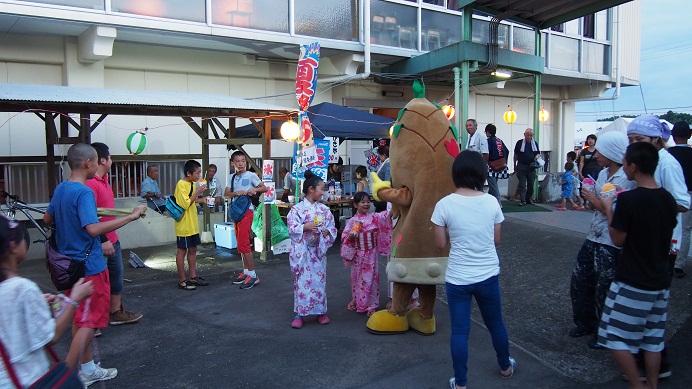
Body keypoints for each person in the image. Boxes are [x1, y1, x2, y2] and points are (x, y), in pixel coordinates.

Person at [42, 143, 146, 386]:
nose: (101, 164)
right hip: (89, 268)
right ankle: (67, 376)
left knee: (81, 319)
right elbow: (92, 229)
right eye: (98, 160)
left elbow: (48, 218)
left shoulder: (61, 189)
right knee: (89, 323)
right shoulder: (84, 192)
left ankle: (87, 369)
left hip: (68, 267)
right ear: (88, 163)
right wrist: (130, 217)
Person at [431, 150, 515, 389]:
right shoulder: (491, 202)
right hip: (487, 274)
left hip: (458, 278)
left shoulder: (443, 205)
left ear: (455, 173)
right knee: (496, 324)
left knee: (460, 332)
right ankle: (506, 367)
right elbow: (496, 240)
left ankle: (460, 383)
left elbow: (440, 244)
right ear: (481, 174)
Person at [597, 141, 678, 388]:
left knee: (613, 336)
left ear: (632, 167)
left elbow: (618, 239)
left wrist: (610, 207)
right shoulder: (667, 199)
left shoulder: (629, 201)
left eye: (625, 164)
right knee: (653, 339)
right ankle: (652, 384)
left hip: (632, 280)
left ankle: (637, 384)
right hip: (660, 279)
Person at [626, 115, 690, 379]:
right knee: (648, 305)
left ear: (656, 139)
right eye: (630, 141)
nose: (634, 145)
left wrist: (648, 207)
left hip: (662, 244)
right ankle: (651, 362)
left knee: (650, 304)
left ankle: (652, 364)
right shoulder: (644, 161)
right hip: (644, 241)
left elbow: (683, 201)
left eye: (639, 140)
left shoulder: (666, 163)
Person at [0, 216, 94, 388]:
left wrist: (36, 303)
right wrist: (74, 300)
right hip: (29, 379)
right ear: (12, 247)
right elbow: (51, 337)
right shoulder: (23, 289)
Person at [569, 131, 635, 349]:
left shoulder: (627, 179)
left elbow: (613, 211)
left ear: (612, 153)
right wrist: (590, 198)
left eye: (600, 151)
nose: (596, 154)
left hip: (610, 239)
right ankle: (585, 322)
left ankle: (604, 331)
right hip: (593, 234)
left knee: (604, 286)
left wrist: (592, 199)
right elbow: (595, 205)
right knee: (580, 279)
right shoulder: (602, 173)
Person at [86, 142, 143, 327]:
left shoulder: (105, 180)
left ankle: (115, 312)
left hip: (113, 240)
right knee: (97, 284)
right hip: (97, 243)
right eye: (109, 157)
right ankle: (93, 323)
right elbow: (90, 217)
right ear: (102, 160)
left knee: (116, 278)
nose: (112, 160)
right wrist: (102, 240)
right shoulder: (90, 184)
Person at [286, 171, 337, 329]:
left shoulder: (324, 210)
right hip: (303, 252)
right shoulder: (296, 210)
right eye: (321, 189)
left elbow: (331, 227)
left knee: (319, 282)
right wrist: (304, 227)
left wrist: (328, 232)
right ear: (311, 190)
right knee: (302, 282)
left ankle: (320, 311)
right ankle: (299, 313)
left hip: (317, 252)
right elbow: (291, 227)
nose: (323, 192)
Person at [340, 192, 392, 316]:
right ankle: (358, 301)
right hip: (358, 253)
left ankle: (371, 304)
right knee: (357, 278)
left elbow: (386, 216)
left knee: (372, 279)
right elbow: (344, 237)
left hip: (371, 253)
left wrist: (392, 204)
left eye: (368, 201)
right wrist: (351, 238)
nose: (366, 204)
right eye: (362, 202)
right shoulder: (352, 221)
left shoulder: (374, 217)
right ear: (355, 204)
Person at [225, 151, 267, 290]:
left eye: (243, 161)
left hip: (247, 211)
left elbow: (264, 188)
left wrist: (253, 189)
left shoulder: (251, 175)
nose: (241, 163)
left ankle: (254, 275)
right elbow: (226, 194)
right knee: (240, 244)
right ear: (233, 163)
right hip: (237, 213)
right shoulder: (231, 177)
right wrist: (237, 193)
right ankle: (246, 272)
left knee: (244, 244)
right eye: (237, 161)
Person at [174, 159, 211, 290]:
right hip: (183, 224)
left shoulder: (191, 183)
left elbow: (192, 200)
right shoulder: (181, 184)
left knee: (193, 250)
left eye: (200, 172)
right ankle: (182, 280)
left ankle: (193, 277)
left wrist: (202, 199)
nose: (199, 176)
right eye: (197, 173)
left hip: (192, 223)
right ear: (189, 173)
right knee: (182, 251)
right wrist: (198, 191)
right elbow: (185, 204)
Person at [667, 121, 692, 278]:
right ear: (689, 136)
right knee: (686, 229)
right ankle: (679, 264)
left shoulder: (667, 154)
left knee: (669, 226)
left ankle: (667, 257)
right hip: (689, 193)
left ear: (673, 136)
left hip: (670, 194)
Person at [513, 128, 541, 206]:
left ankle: (528, 198)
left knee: (531, 184)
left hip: (531, 167)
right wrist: (514, 165)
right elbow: (515, 155)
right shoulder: (519, 143)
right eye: (527, 135)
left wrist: (537, 156)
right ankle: (522, 200)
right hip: (521, 165)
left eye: (531, 135)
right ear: (524, 135)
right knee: (522, 184)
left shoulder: (534, 143)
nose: (529, 137)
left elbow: (538, 153)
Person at [485, 124, 509, 207]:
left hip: (491, 166)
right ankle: (489, 202)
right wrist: (505, 161)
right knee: (493, 184)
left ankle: (499, 202)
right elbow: (507, 150)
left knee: (493, 185)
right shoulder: (499, 141)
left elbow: (486, 153)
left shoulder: (488, 141)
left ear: (488, 132)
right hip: (501, 165)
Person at [374, 145, 391, 212]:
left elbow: (387, 181)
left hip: (383, 197)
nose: (379, 158)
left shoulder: (387, 164)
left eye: (379, 156)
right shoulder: (387, 163)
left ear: (384, 155)